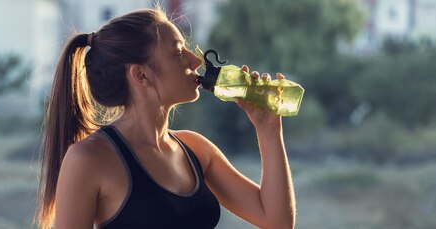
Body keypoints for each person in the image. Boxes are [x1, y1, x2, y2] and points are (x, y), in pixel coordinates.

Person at [35, 7, 296, 229]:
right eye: (179, 52)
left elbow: (277, 221)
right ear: (141, 75)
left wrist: (269, 129)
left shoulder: (196, 149)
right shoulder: (89, 159)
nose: (195, 61)